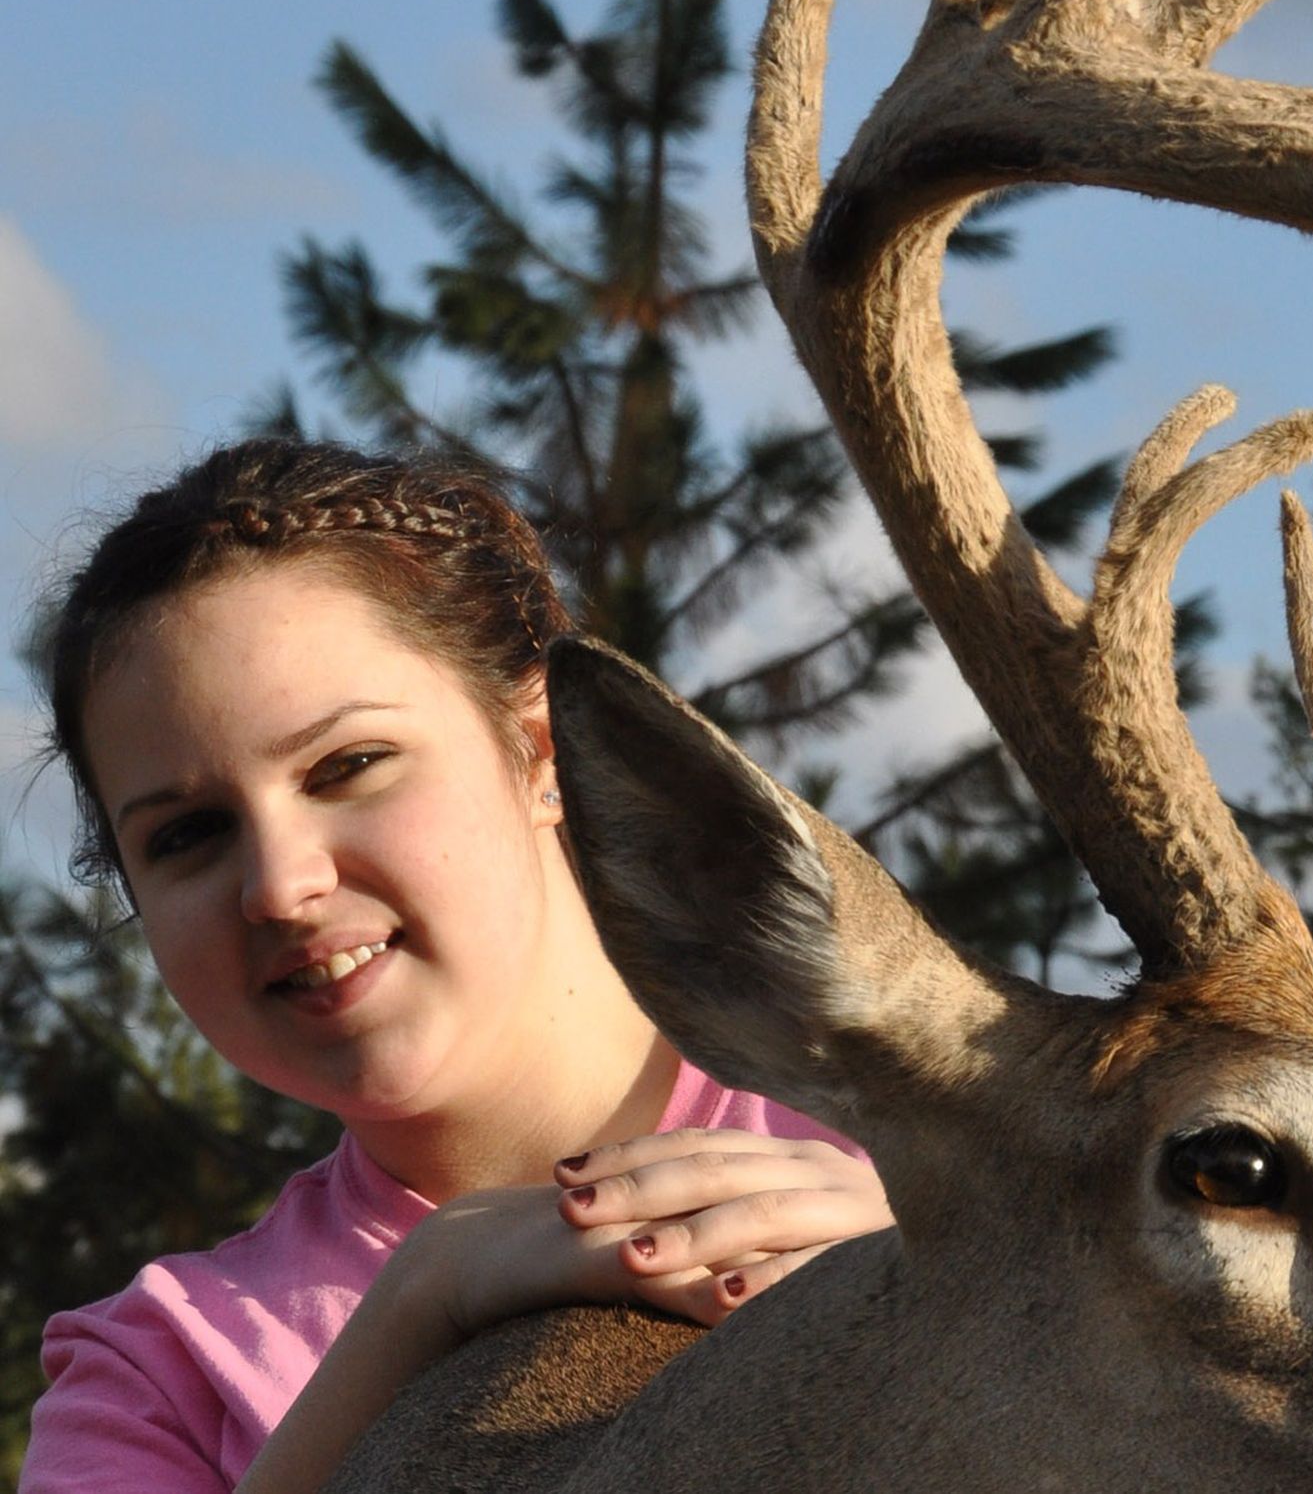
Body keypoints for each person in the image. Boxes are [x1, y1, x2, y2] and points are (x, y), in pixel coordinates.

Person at [20, 437, 893, 1492]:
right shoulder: (160, 1377)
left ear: (542, 750)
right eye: (188, 835)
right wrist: (423, 1302)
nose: (279, 885)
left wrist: (978, 1270)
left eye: (348, 766)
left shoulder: (917, 1159)